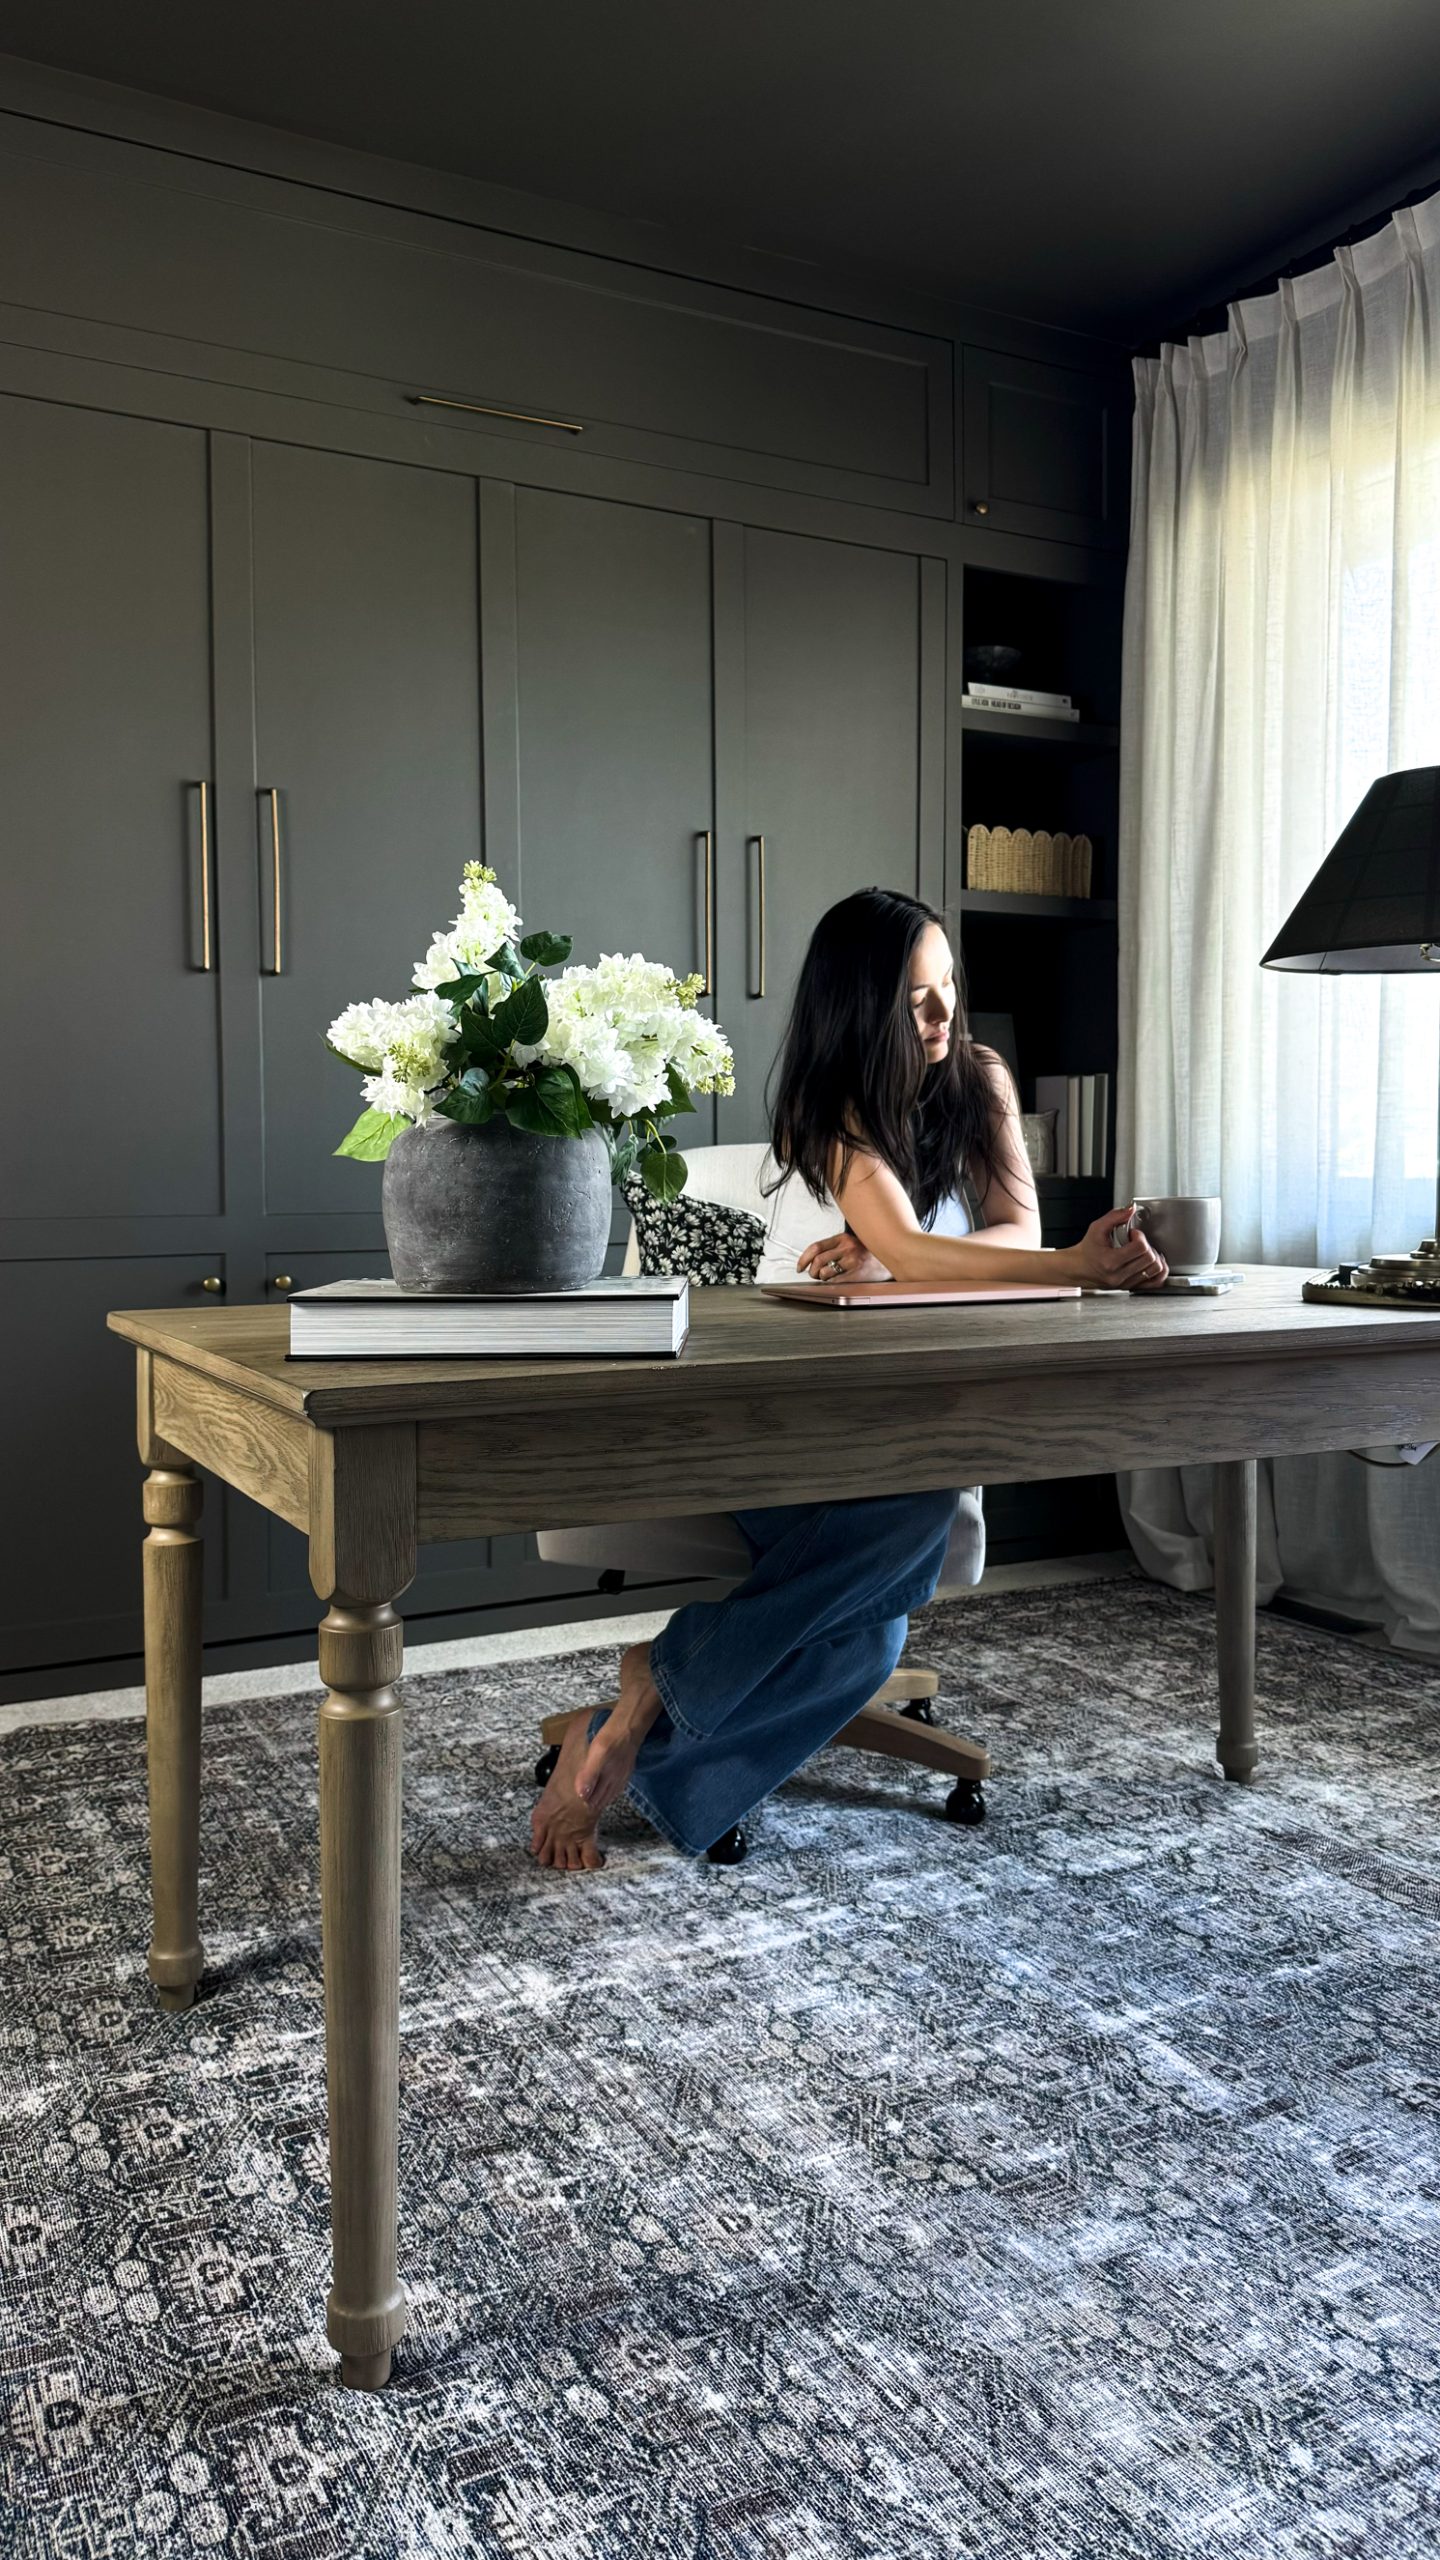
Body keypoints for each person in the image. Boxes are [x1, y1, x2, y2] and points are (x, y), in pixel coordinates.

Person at [531, 886, 1167, 1870]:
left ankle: (641, 1701)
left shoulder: (982, 1078)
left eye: (948, 985)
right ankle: (657, 1690)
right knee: (905, 1550)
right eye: (916, 999)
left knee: (873, 1638)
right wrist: (972, 1258)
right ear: (863, 1008)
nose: (944, 1012)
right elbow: (926, 1245)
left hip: (908, 1419)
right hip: (777, 1421)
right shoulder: (830, 1109)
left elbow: (1017, 1227)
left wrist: (890, 1254)